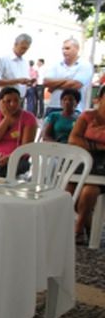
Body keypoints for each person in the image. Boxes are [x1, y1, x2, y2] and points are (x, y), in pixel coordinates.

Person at [68, 86, 105, 244]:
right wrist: (99, 146)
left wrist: (88, 142)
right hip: (83, 163)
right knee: (67, 191)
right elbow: (73, 139)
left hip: (102, 169)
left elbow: (80, 139)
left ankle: (78, 229)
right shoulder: (88, 116)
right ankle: (87, 225)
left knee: (89, 191)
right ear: (100, 99)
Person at [0, 86, 38, 176]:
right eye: (8, 101)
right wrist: (7, 118)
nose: (13, 104)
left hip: (18, 158)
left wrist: (10, 157)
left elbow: (26, 147)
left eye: (16, 101)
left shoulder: (28, 118)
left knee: (0, 172)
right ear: (0, 102)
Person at [43, 38, 94, 115]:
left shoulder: (85, 65)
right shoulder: (56, 64)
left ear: (77, 49)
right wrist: (67, 80)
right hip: (53, 106)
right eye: (63, 49)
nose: (64, 51)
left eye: (67, 48)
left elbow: (75, 85)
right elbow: (46, 82)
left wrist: (54, 86)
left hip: (74, 108)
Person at [0, 33, 33, 98]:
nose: (24, 51)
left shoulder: (25, 62)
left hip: (20, 98)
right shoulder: (2, 59)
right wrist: (18, 81)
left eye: (26, 49)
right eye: (22, 48)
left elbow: (22, 83)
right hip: (5, 99)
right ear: (15, 44)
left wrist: (28, 82)